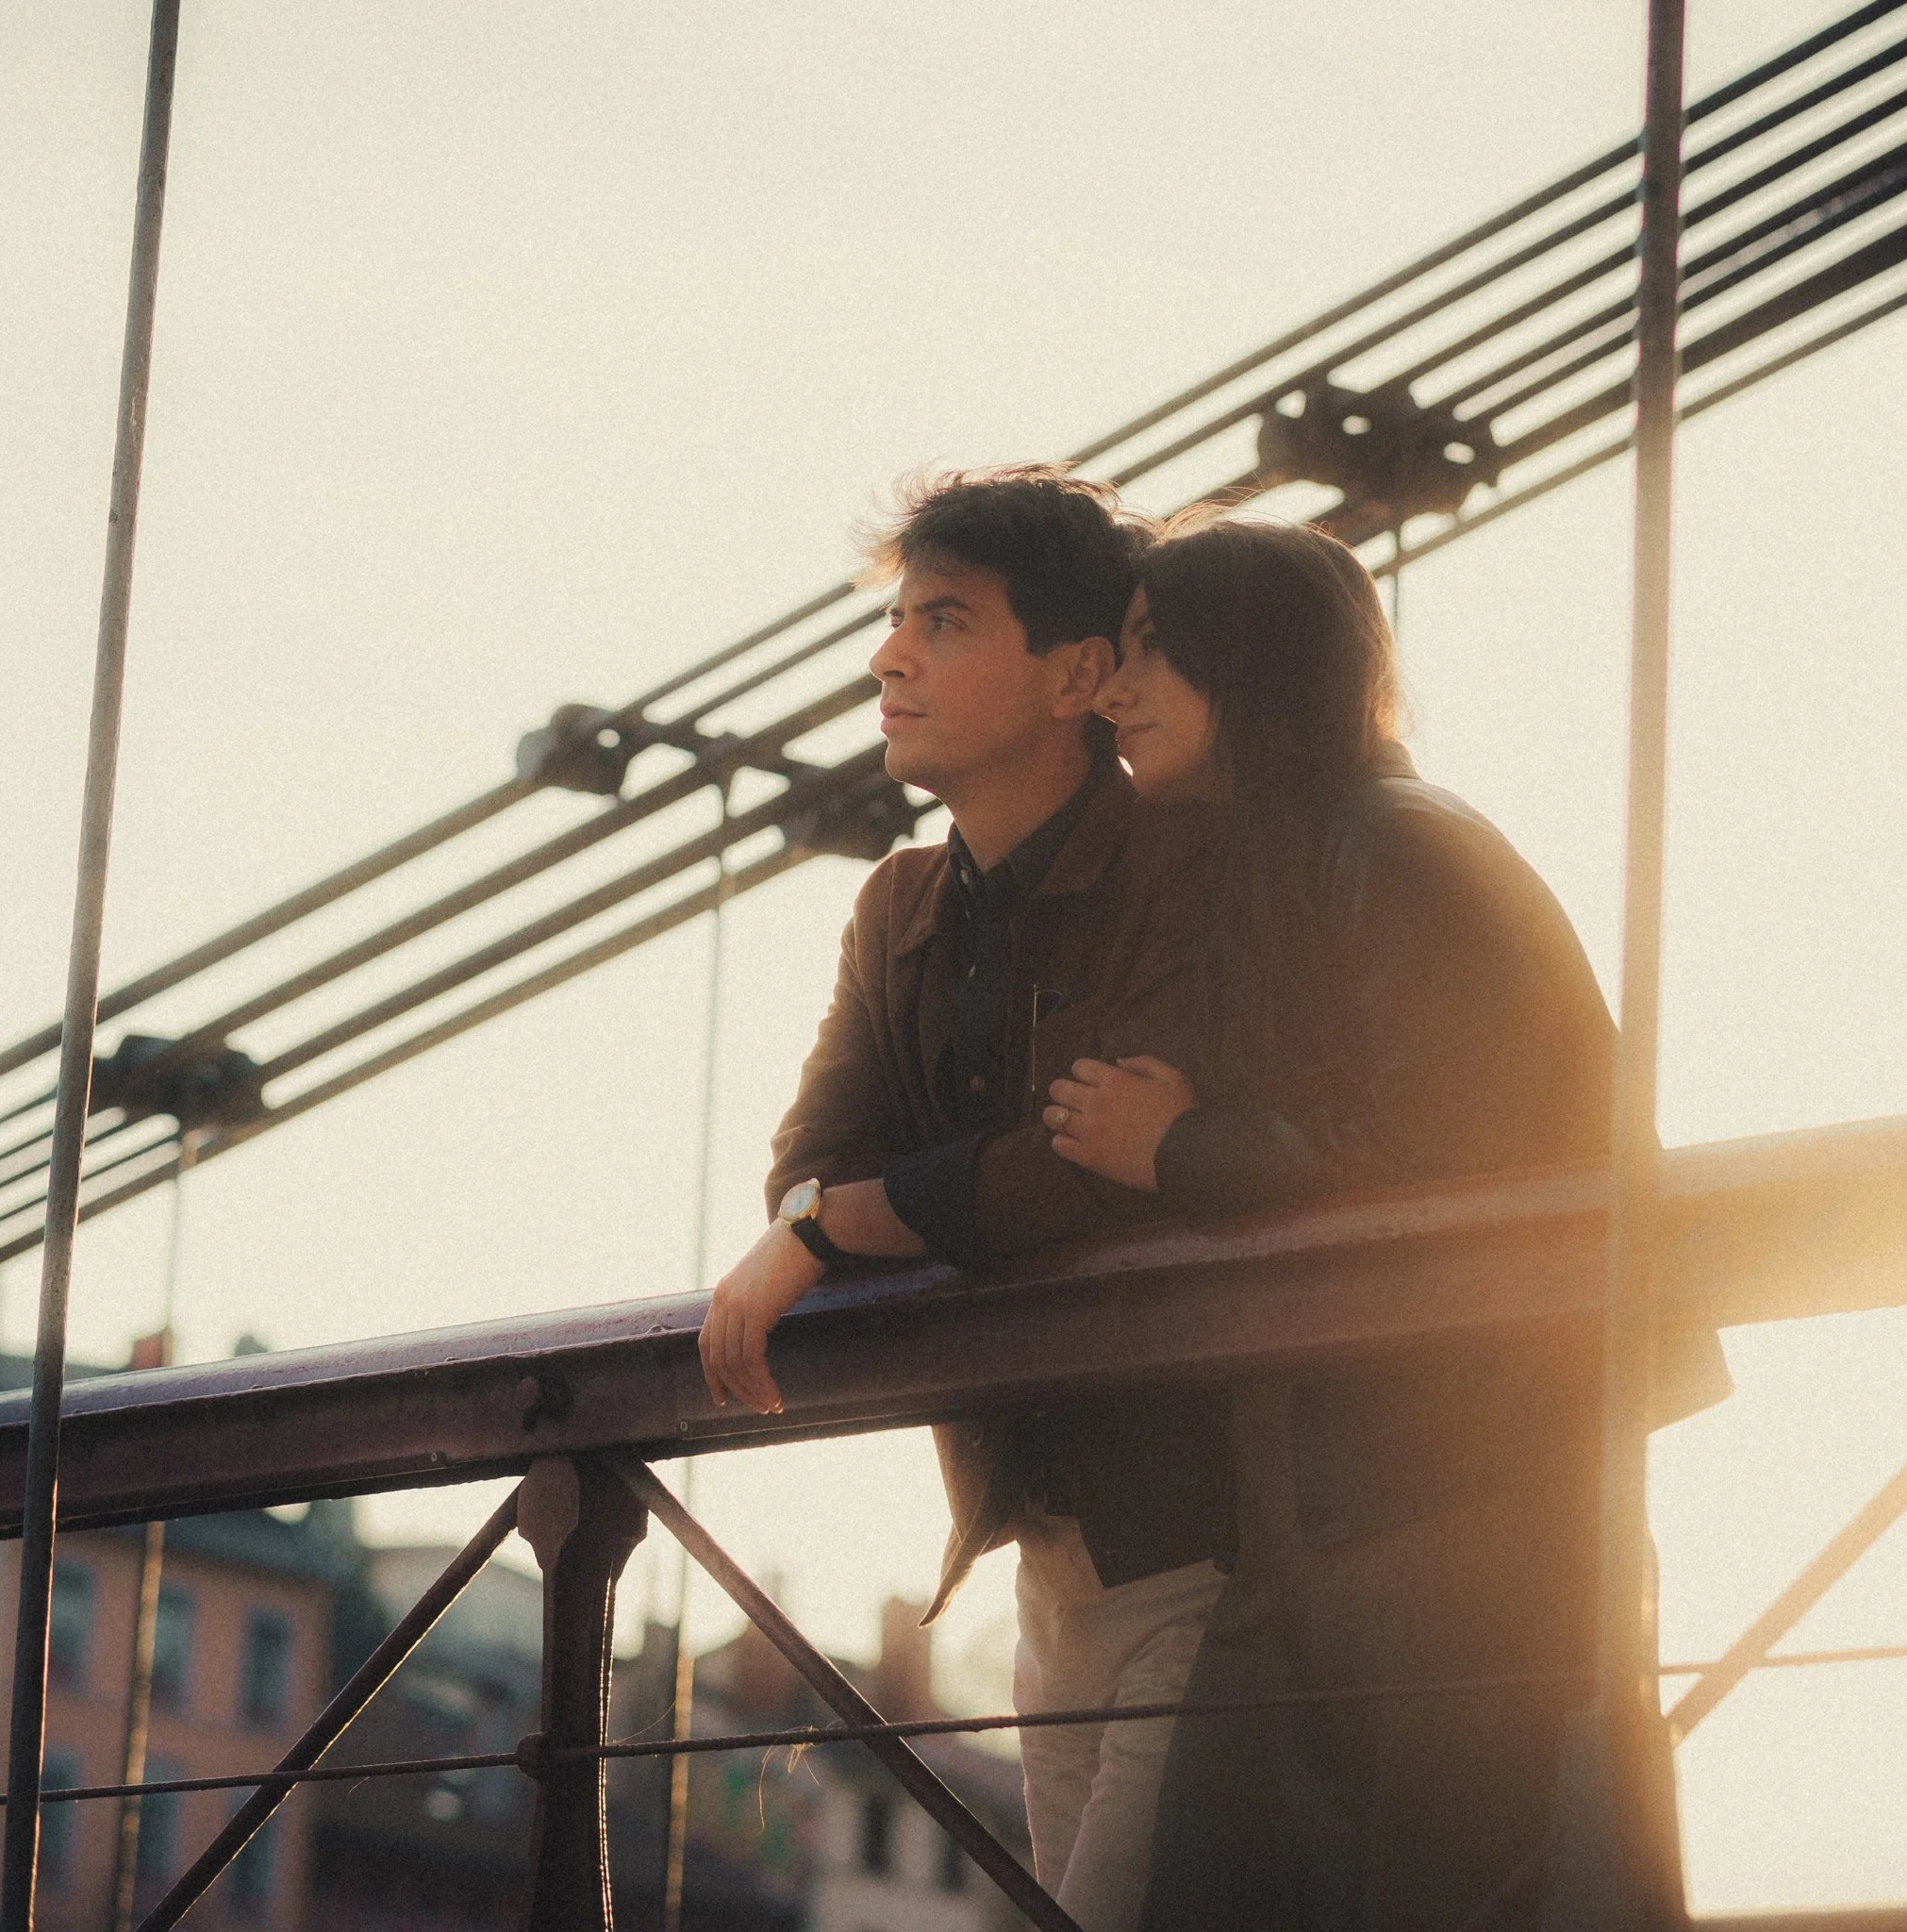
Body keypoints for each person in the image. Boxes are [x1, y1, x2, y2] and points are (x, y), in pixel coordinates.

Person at [1043, 512, 1726, 1932]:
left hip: (1470, 1503)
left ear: (1263, 662)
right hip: (1350, 1507)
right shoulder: (1304, 857)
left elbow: (1438, 1162)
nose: (1115, 689)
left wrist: (1176, 1149)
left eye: (1157, 649)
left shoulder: (1403, 844)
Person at [699, 468, 1235, 1932]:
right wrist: (828, 1208)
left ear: (1078, 674)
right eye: (895, 620)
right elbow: (803, 1159)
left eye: (944, 621)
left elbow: (1091, 1180)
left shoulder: (1187, 868)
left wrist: (826, 1232)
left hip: (1218, 1542)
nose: (890, 659)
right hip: (1044, 1555)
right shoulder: (900, 907)